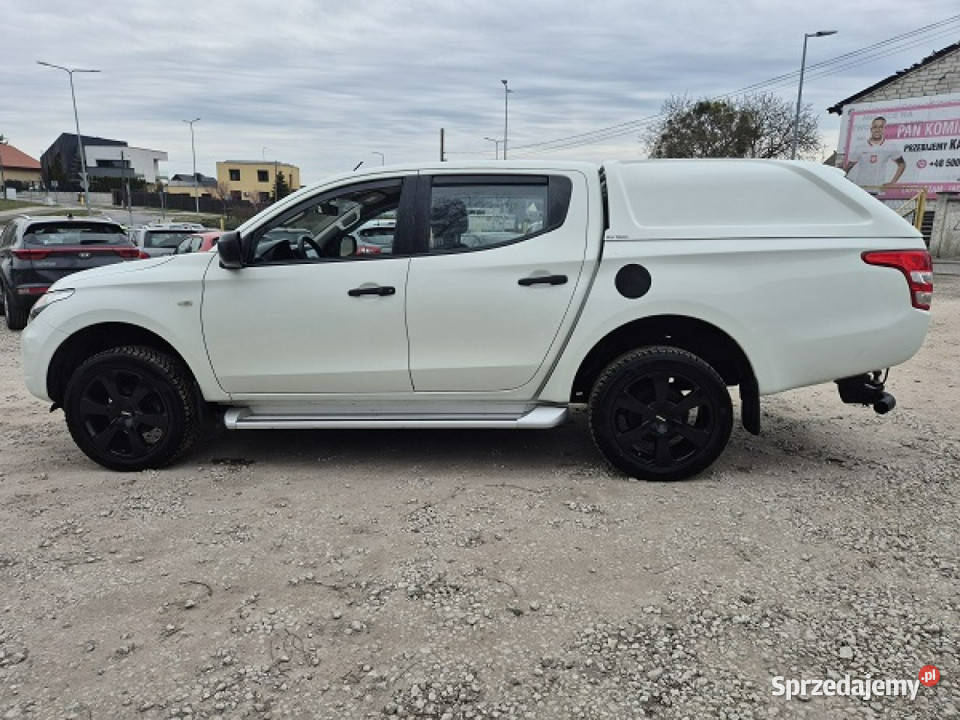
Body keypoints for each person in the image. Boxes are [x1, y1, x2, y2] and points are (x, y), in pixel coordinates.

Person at [845, 116, 906, 190]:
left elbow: (902, 164)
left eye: (881, 127)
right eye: (875, 127)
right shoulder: (861, 146)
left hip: (878, 189)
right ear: (871, 129)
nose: (877, 130)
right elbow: (849, 165)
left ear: (884, 129)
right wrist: (842, 178)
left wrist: (892, 183)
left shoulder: (890, 146)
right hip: (861, 189)